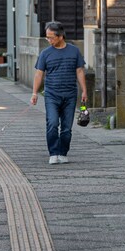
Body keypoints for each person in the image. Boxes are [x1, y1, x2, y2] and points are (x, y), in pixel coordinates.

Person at [31, 21, 88, 164]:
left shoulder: (74, 51)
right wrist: (34, 93)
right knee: (52, 123)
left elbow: (80, 71)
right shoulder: (45, 53)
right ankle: (53, 152)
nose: (49, 40)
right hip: (51, 94)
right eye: (47, 38)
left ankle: (63, 152)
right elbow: (39, 74)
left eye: (51, 37)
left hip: (70, 94)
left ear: (60, 36)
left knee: (67, 128)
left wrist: (84, 91)